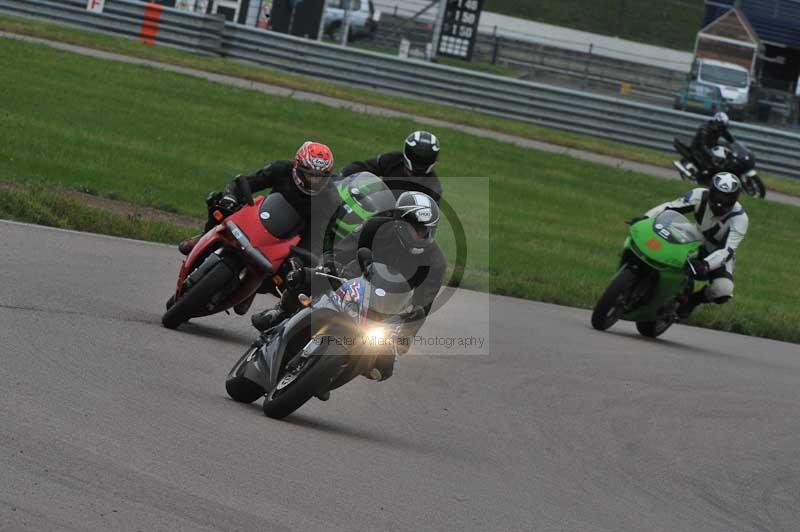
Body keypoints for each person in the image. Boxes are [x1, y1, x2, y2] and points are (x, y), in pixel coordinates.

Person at [254, 191, 447, 383]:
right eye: (417, 229)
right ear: (400, 223)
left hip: (388, 305)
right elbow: (344, 247)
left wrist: (402, 341)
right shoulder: (377, 225)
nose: (422, 236)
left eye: (427, 231)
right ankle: (279, 313)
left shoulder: (435, 262)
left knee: (382, 366)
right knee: (303, 277)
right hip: (355, 275)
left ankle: (328, 376)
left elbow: (424, 304)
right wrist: (329, 264)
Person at [177, 141, 336, 256]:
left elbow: (318, 234)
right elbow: (246, 182)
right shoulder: (280, 169)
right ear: (297, 166)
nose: (314, 181)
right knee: (219, 203)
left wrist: (305, 256)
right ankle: (204, 237)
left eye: (320, 177)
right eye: (309, 175)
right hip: (263, 218)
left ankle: (281, 302)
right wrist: (230, 196)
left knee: (301, 278)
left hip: (288, 241)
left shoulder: (329, 196)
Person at [640, 172, 748, 318]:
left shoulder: (740, 219)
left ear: (735, 198)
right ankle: (650, 268)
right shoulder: (698, 195)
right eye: (717, 195)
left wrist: (706, 265)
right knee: (663, 233)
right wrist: (646, 217)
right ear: (711, 191)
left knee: (723, 290)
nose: (720, 202)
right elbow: (670, 207)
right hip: (695, 234)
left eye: (726, 198)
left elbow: (727, 251)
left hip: (718, 253)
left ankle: (693, 301)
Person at [339, 131, 442, 204]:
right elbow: (366, 167)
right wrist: (342, 175)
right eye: (417, 157)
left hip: (405, 224)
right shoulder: (394, 159)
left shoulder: (433, 186)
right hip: (377, 207)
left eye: (424, 159)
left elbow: (428, 220)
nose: (420, 161)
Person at [674, 112, 735, 180]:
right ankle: (700, 178)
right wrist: (711, 154)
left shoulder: (720, 129)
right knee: (708, 166)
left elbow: (730, 139)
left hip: (710, 148)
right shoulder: (705, 129)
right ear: (718, 122)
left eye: (725, 124)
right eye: (723, 124)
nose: (724, 126)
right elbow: (702, 145)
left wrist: (734, 145)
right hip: (698, 149)